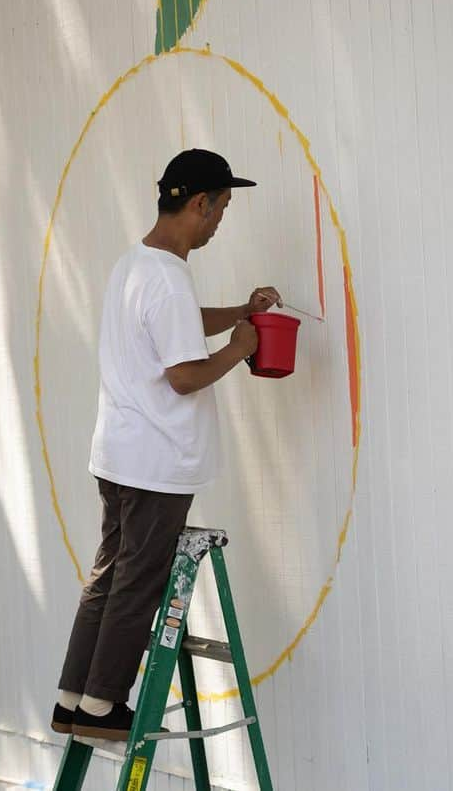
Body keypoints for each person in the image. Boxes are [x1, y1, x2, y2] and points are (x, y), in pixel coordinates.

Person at [51, 148, 282, 741]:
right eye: (223, 206)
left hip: (120, 456)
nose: (221, 219)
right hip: (157, 464)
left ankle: (73, 700)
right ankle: (104, 709)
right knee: (137, 584)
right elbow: (184, 375)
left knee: (107, 576)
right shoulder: (170, 279)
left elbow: (177, 323)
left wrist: (238, 313)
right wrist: (242, 347)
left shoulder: (136, 264)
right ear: (199, 204)